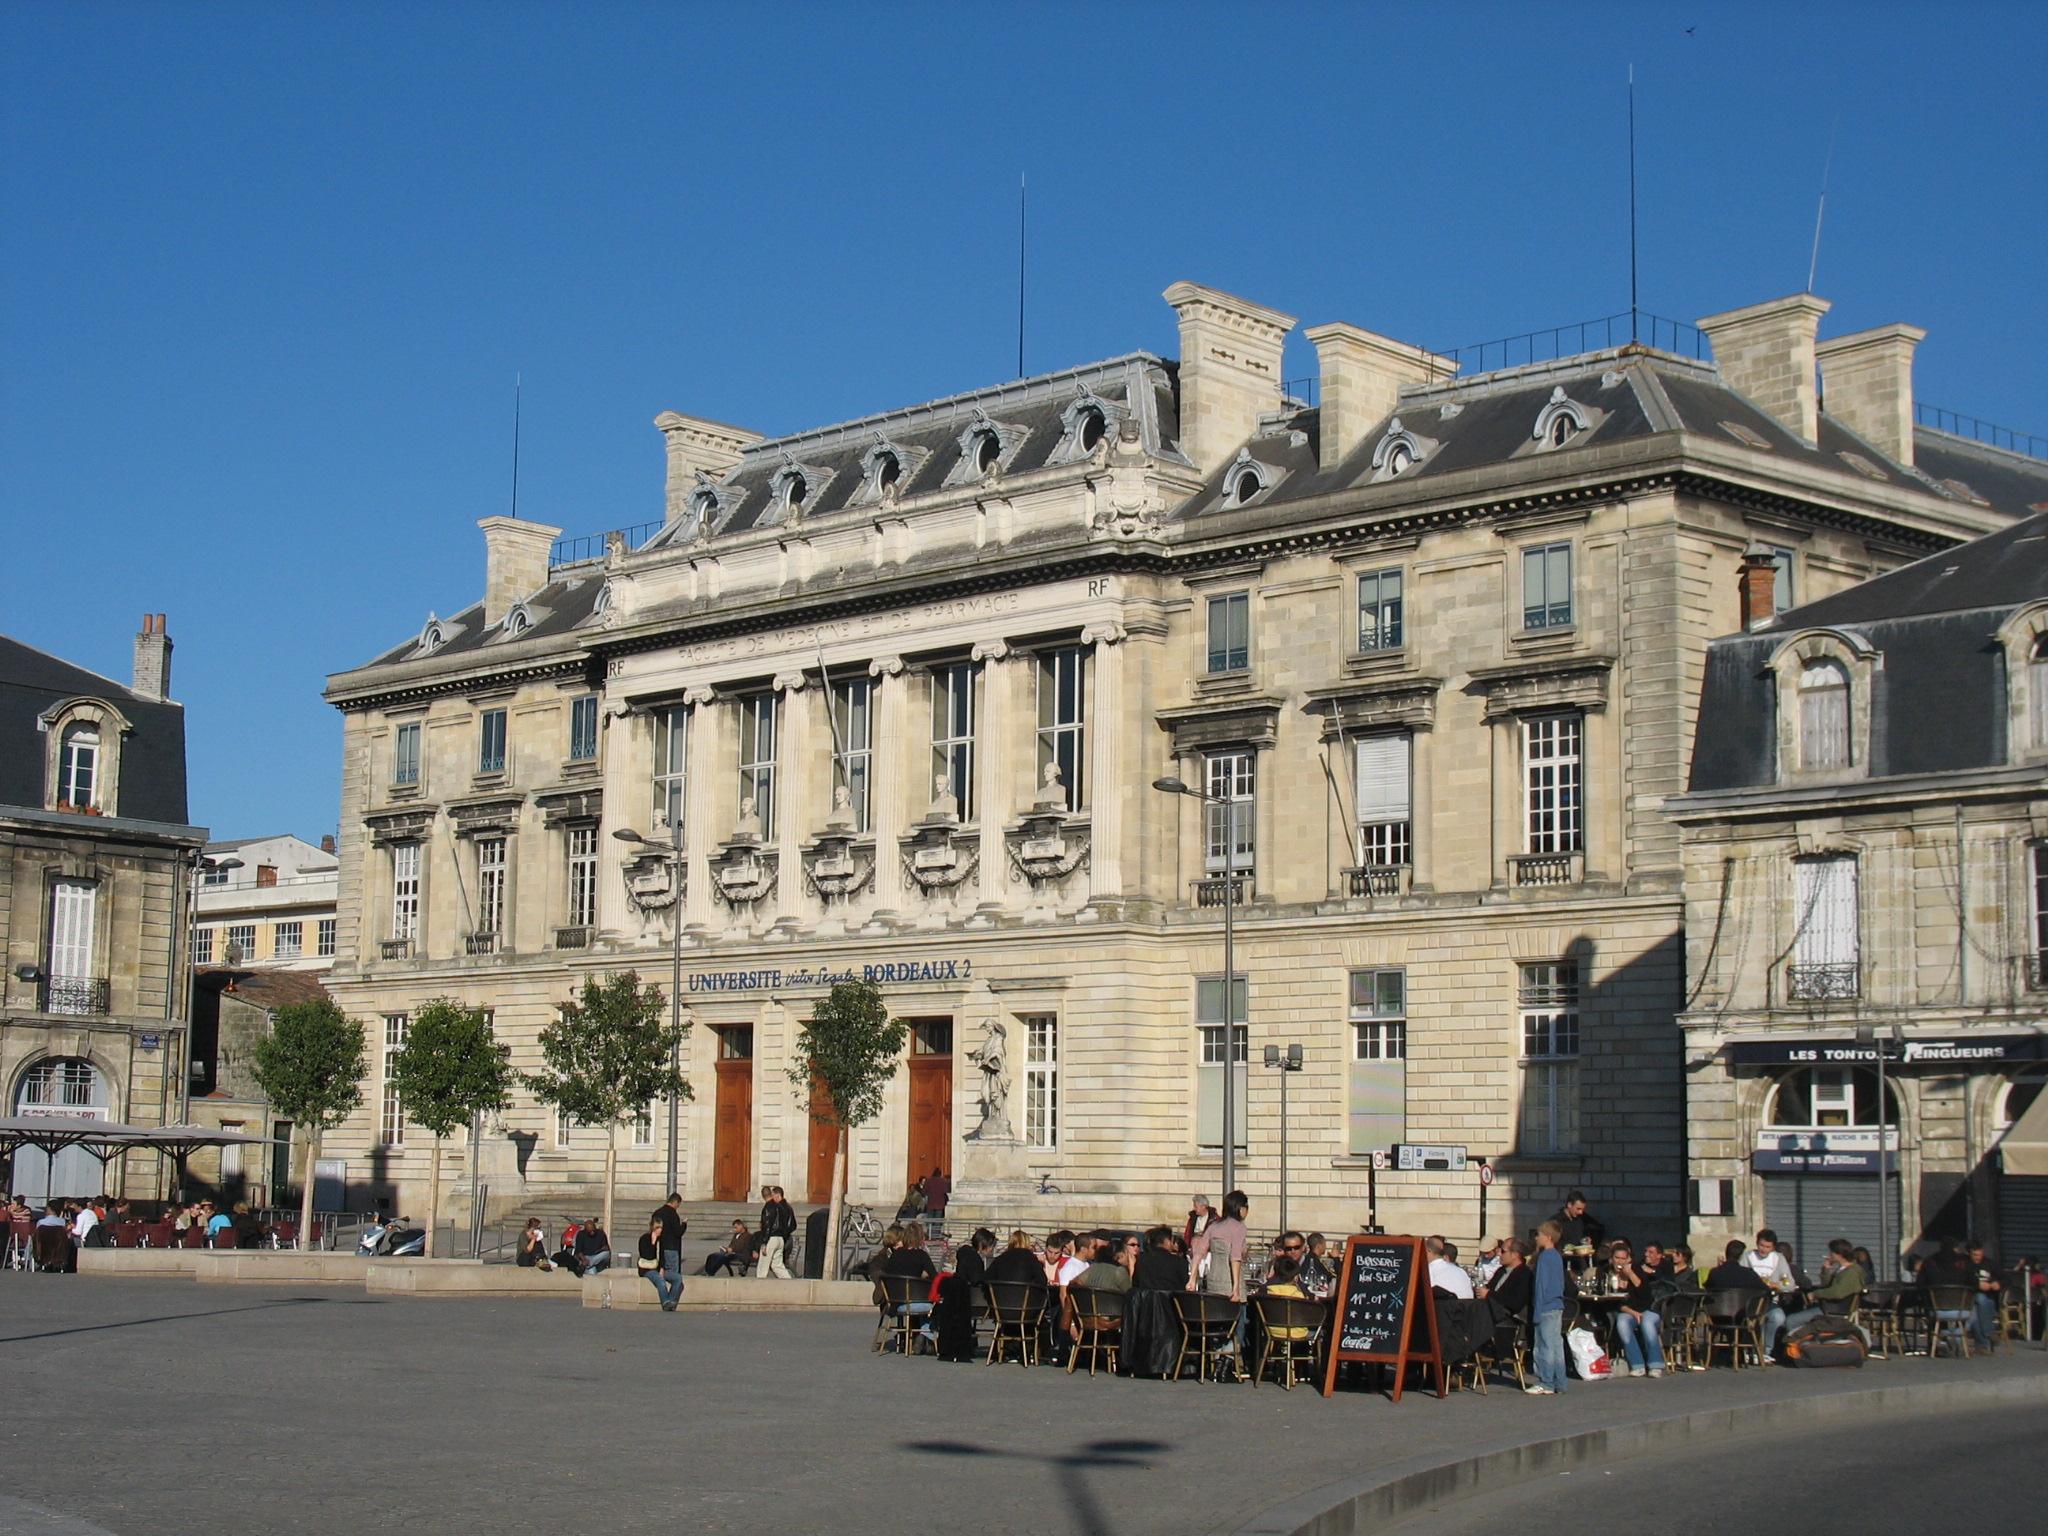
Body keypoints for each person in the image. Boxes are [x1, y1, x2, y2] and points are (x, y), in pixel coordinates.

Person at [1779, 1237, 1865, 1341]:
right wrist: (1826, 1270)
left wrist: (1816, 1294)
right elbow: (1827, 1285)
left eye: (1831, 1252)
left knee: (1791, 1320)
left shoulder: (1851, 1273)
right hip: (1828, 1306)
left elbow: (1837, 1292)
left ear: (1839, 1254)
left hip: (1833, 1310)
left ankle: (1794, 1346)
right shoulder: (1842, 1270)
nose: (1829, 1255)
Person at [1610, 1241, 1666, 1377]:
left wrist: (1630, 1275)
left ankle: (1655, 1365)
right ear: (1612, 1258)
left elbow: (1645, 1295)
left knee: (1647, 1323)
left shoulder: (1635, 1269)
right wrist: (1632, 1312)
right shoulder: (1608, 1272)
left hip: (1648, 1308)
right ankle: (1637, 1364)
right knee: (1622, 1323)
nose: (1620, 1262)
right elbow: (1613, 1302)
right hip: (1627, 1311)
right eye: (1617, 1258)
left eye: (1623, 1259)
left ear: (1628, 1259)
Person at [1527, 1220, 1568, 1395]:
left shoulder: (1544, 1257)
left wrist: (1536, 1311)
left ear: (1548, 1237)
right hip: (1557, 1304)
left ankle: (1546, 1382)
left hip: (1545, 1306)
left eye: (1539, 1235)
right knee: (1556, 1345)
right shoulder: (1557, 1256)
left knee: (1544, 1346)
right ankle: (1560, 1381)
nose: (1537, 1238)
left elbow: (1540, 1286)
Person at [1190, 1191, 1248, 1302]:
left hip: (1213, 1284)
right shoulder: (1239, 1227)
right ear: (1241, 1209)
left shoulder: (1213, 1226)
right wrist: (1236, 1288)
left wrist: (1192, 1279)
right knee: (1239, 1318)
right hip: (1230, 1284)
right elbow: (1235, 1257)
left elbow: (1198, 1252)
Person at [638, 1215, 684, 1310]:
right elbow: (647, 1256)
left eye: (661, 1227)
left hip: (658, 1268)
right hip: (647, 1269)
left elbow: (662, 1257)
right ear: (652, 1228)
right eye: (657, 1227)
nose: (659, 1230)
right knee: (660, 1280)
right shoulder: (644, 1239)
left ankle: (671, 1302)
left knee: (677, 1278)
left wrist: (662, 1268)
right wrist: (653, 1243)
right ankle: (665, 1302)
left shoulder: (662, 1240)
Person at [1966, 1239, 2004, 1351]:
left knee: (1981, 1300)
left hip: (1989, 1300)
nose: (1978, 1257)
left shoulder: (1990, 1264)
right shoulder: (1965, 1264)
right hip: (1969, 1299)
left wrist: (1998, 1284)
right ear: (1969, 1253)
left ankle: (1983, 1344)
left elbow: (2006, 1279)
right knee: (1977, 1303)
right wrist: (1978, 1285)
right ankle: (1989, 1333)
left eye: (1980, 1254)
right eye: (1974, 1255)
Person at [1481, 1237, 1533, 1317]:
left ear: (1515, 1255)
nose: (1499, 1254)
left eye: (1503, 1251)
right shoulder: (1501, 1271)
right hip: (1491, 1315)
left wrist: (1488, 1294)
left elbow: (1515, 1302)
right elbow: (1490, 1288)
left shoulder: (1524, 1274)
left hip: (1509, 1321)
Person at [651, 1192, 686, 1301]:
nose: (677, 1207)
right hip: (672, 1248)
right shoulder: (673, 1214)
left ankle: (666, 1298)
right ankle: (671, 1299)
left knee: (663, 1272)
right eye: (678, 1204)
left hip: (659, 1247)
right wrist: (684, 1225)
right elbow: (678, 1232)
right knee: (674, 1277)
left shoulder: (657, 1212)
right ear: (676, 1202)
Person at [756, 1185, 795, 1279]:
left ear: (763, 1196)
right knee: (777, 1265)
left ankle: (758, 1288)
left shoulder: (767, 1208)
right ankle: (789, 1283)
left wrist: (764, 1242)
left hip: (771, 1238)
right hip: (780, 1239)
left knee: (763, 1267)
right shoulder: (780, 1207)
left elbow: (767, 1226)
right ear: (771, 1194)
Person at [1134, 1225, 1190, 1291]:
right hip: (1170, 1300)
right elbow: (1184, 1289)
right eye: (1172, 1240)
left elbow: (1135, 1284)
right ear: (1167, 1241)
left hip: (1145, 1300)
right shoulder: (1179, 1262)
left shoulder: (1141, 1259)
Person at [1299, 1232, 1336, 1300]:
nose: (1325, 1247)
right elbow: (1326, 1279)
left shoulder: (1310, 1259)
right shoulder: (1313, 1262)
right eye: (1324, 1244)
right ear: (1319, 1246)